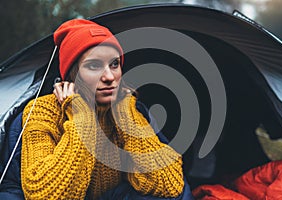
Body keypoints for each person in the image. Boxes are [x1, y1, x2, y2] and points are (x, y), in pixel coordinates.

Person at [20, 19, 193, 199]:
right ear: (73, 73)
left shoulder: (127, 109)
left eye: (114, 64)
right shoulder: (43, 111)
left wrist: (126, 114)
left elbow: (169, 184)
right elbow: (44, 195)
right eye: (94, 66)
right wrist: (82, 116)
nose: (110, 77)